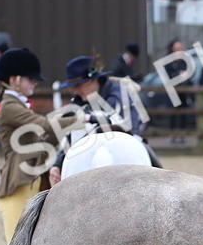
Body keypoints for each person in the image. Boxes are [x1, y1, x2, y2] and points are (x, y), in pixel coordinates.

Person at [0, 47, 80, 242]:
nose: (35, 82)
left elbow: (45, 140)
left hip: (31, 180)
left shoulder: (18, 104)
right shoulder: (10, 106)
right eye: (30, 78)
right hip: (18, 184)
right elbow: (45, 126)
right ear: (14, 80)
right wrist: (82, 119)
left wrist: (65, 119)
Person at [48, 54, 161, 184]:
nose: (75, 90)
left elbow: (118, 121)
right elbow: (69, 133)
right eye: (73, 86)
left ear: (91, 80)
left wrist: (87, 117)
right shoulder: (79, 101)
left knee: (156, 171)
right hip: (86, 141)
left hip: (128, 136)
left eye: (78, 85)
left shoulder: (119, 92)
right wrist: (57, 163)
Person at [163, 39, 192, 141]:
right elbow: (166, 76)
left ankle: (182, 135)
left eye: (180, 48)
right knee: (173, 115)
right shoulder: (168, 61)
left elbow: (190, 76)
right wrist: (177, 75)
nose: (179, 50)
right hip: (173, 92)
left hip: (183, 92)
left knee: (183, 114)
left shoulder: (185, 61)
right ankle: (173, 135)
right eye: (177, 48)